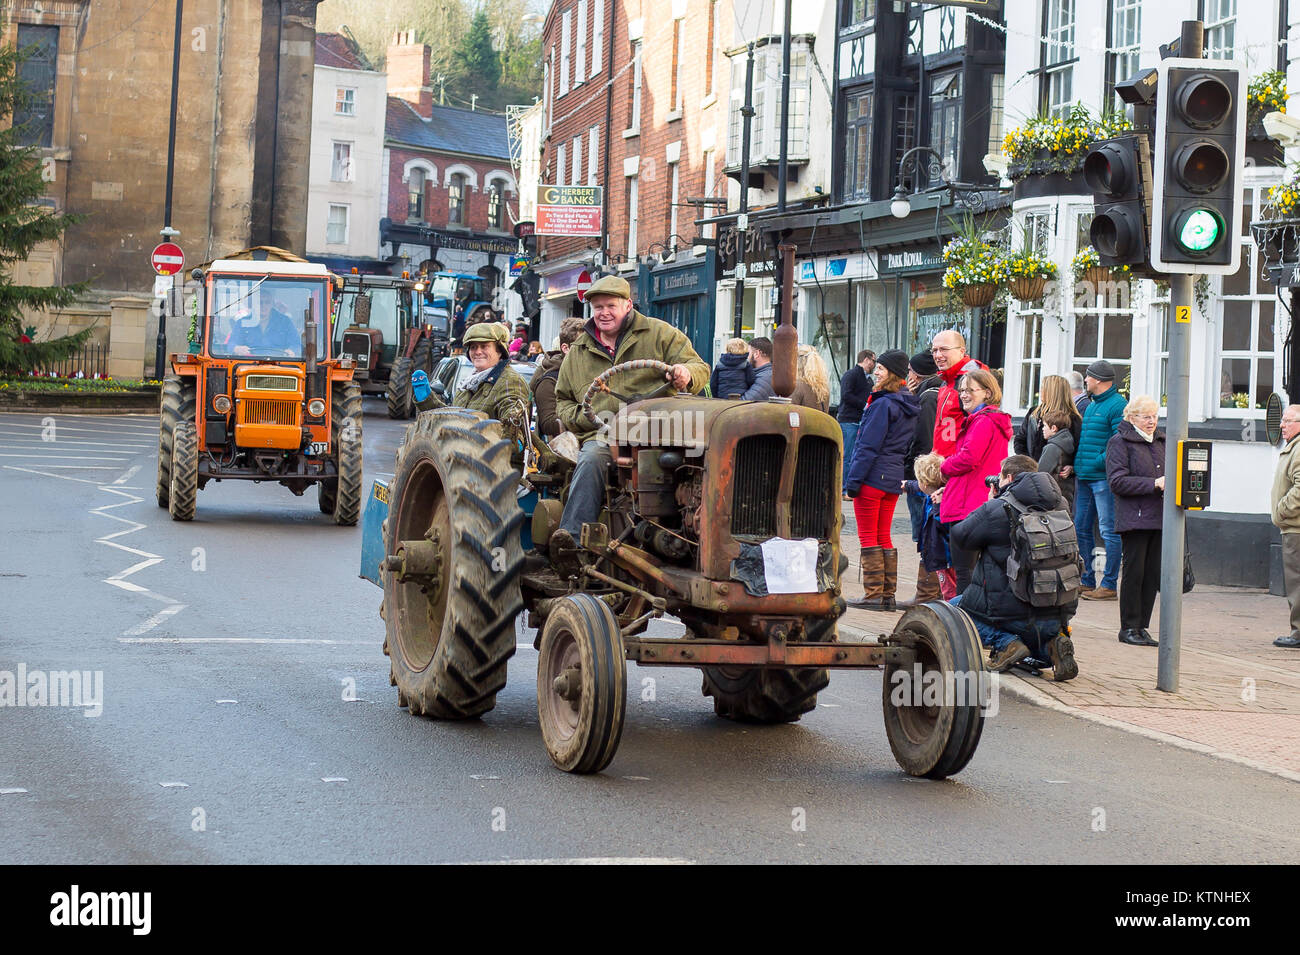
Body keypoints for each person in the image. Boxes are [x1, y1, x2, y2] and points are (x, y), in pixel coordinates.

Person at [550, 275, 709, 563]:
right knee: (592, 457)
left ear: (628, 305)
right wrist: (588, 418)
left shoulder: (659, 334)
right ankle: (572, 542)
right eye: (598, 307)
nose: (604, 313)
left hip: (660, 433)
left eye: (611, 305)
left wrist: (686, 374)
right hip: (604, 433)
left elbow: (698, 367)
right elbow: (562, 401)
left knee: (698, 459)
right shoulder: (579, 351)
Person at [949, 455, 1079, 680]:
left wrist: (989, 503)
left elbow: (960, 535)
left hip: (1008, 611)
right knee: (1038, 641)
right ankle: (1054, 644)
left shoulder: (998, 508)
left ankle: (1006, 643)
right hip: (1055, 610)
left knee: (951, 612)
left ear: (1008, 478)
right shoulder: (1061, 505)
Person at [843, 349, 918, 611]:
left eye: (882, 368)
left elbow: (867, 446)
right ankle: (888, 595)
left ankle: (873, 594)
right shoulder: (905, 402)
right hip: (892, 476)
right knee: (883, 535)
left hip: (873, 476)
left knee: (867, 536)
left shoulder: (882, 403)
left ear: (892, 373)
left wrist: (852, 482)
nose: (876, 370)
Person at [938, 368, 1013, 594]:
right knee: (977, 572)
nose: (963, 394)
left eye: (970, 390)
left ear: (987, 393)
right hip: (977, 501)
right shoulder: (987, 420)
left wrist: (942, 467)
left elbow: (969, 458)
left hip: (967, 505)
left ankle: (965, 623)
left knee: (965, 572)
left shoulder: (983, 422)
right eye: (962, 390)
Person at [413, 321, 532, 456]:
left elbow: (514, 438)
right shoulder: (469, 383)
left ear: (500, 351)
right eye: (473, 347)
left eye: (484, 346)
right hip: (461, 461)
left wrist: (511, 435)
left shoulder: (510, 381)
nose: (478, 352)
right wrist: (428, 401)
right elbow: (454, 419)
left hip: (492, 471)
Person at [1106, 395, 1166, 647]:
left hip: (1160, 517)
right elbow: (1117, 481)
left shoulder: (1162, 441)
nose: (1151, 421)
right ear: (1131, 418)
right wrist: (1153, 484)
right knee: (1135, 573)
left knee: (1152, 575)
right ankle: (1128, 626)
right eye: (1145, 416)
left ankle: (1142, 626)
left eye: (1154, 416)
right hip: (1135, 518)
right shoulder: (1119, 442)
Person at [1074, 360, 1127, 600]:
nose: (1085, 380)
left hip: (1102, 479)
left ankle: (1108, 585)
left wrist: (1097, 461)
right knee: (1081, 528)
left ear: (1097, 379)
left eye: (1088, 377)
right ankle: (1087, 580)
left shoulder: (1117, 405)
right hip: (1085, 476)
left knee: (1108, 531)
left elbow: (1121, 442)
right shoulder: (1093, 405)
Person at [898, 351, 943, 606]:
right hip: (927, 471)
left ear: (916, 373)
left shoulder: (928, 398)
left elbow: (923, 438)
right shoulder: (930, 394)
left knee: (926, 533)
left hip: (924, 474)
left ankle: (927, 594)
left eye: (911, 371)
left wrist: (916, 471)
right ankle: (930, 592)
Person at [902, 452, 956, 601]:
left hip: (945, 558)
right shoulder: (934, 493)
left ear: (924, 484)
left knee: (950, 592)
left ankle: (953, 616)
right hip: (942, 556)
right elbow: (920, 488)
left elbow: (943, 526)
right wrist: (908, 485)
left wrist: (938, 508)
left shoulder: (939, 503)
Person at [930, 329, 987, 456]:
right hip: (945, 465)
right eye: (934, 350)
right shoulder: (947, 380)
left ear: (961, 351)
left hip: (959, 467)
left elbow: (980, 431)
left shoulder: (973, 380)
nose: (938, 355)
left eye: (944, 349)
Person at [1270, 404, 1300, 648]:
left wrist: (1281, 510)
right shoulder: (1294, 447)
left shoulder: (1299, 449)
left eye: (1288, 421)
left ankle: (1298, 632)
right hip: (1292, 526)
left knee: (1296, 582)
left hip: (1295, 528)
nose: (1282, 425)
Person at [531, 317, 586, 439]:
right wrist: (588, 417)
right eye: (583, 347)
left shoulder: (593, 371)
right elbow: (549, 423)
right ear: (565, 348)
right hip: (570, 450)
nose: (589, 351)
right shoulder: (549, 381)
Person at [1015, 374, 1082, 463]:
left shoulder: (1072, 418)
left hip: (1057, 473)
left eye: (1043, 388)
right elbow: (1020, 440)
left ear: (1052, 392)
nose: (1040, 391)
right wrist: (1028, 463)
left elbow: (1078, 448)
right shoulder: (1034, 413)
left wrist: (1072, 467)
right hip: (1031, 469)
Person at [837, 349, 876, 462]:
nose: (874, 365)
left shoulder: (868, 379)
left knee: (854, 457)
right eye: (874, 361)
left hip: (859, 422)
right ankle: (845, 480)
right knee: (847, 457)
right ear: (866, 360)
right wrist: (864, 405)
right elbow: (846, 395)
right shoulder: (851, 374)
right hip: (849, 422)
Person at [1037, 409, 1077, 512]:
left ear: (1053, 428)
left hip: (1053, 495)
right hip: (1067, 493)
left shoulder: (1052, 447)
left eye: (1045, 426)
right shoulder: (1068, 442)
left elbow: (1041, 473)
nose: (1043, 429)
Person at [231, 297, 301, 356]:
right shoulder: (242, 322)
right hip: (249, 363)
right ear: (254, 304)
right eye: (260, 302)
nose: (263, 305)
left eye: (267, 302)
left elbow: (296, 344)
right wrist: (236, 348)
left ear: (272, 304)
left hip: (280, 364)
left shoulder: (285, 322)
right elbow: (231, 343)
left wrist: (292, 351)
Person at [791, 345, 830, 414]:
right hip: (820, 424)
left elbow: (789, 415)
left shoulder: (797, 386)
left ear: (798, 363)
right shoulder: (823, 388)